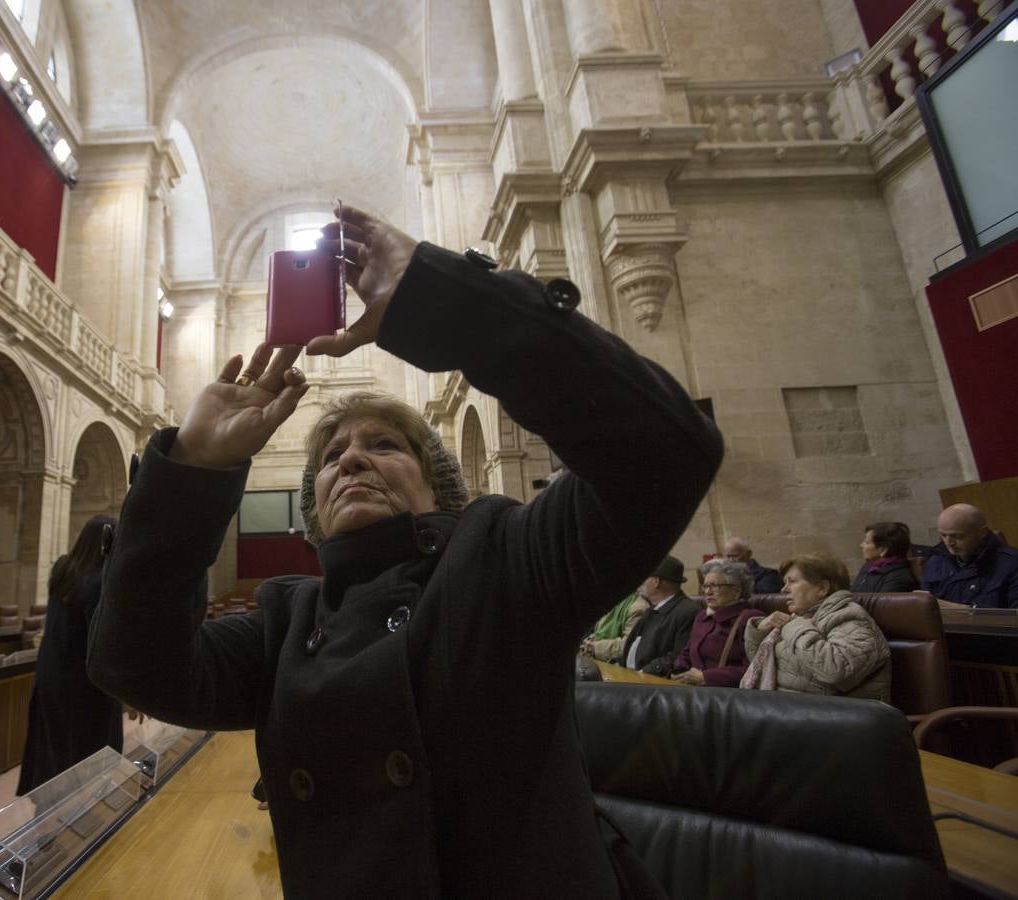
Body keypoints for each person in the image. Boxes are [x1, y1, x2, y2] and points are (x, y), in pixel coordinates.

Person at [87, 204, 723, 896]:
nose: (351, 461)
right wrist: (192, 473)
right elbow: (137, 666)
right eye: (332, 456)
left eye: (383, 445)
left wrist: (452, 308)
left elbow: (665, 451)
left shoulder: (506, 559)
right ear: (315, 516)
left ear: (438, 487)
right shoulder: (285, 622)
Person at [17, 516, 125, 794]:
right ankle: (85, 812)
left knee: (53, 747)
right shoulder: (99, 582)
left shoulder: (63, 570)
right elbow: (103, 643)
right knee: (90, 752)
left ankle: (48, 807)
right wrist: (126, 691)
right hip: (86, 683)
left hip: (52, 674)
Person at [743, 554, 891, 701]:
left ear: (822, 588)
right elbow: (762, 667)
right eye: (785, 583)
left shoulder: (849, 616)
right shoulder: (804, 618)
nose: (784, 589)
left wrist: (794, 627)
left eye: (792, 581)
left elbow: (836, 671)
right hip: (792, 710)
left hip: (837, 716)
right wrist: (761, 631)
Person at [666, 559, 761, 686]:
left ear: (736, 592)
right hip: (694, 691)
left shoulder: (750, 618)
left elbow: (754, 668)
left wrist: (707, 677)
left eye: (715, 586)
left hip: (726, 695)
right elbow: (687, 653)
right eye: (705, 586)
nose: (707, 592)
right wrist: (678, 669)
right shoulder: (702, 616)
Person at [922, 504, 1018, 609]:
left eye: (957, 536)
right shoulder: (936, 561)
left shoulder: (1011, 563)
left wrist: (965, 612)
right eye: (943, 535)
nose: (949, 542)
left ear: (982, 532)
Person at [625, 556, 700, 675]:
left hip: (653, 684)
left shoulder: (688, 611)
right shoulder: (651, 609)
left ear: (656, 581)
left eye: (645, 578)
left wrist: (644, 672)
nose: (641, 582)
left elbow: (680, 655)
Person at [852, 522, 919, 593]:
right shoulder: (868, 566)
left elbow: (879, 603)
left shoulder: (898, 579)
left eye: (867, 542)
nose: (861, 545)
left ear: (883, 550)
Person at [582, 593, 646, 664]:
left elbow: (627, 645)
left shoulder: (638, 607)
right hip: (591, 657)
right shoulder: (609, 600)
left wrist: (594, 647)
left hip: (616, 665)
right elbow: (597, 631)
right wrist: (588, 641)